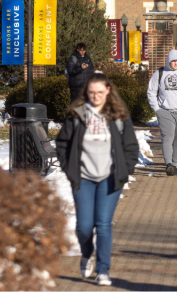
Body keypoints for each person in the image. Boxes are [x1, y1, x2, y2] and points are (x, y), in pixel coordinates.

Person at [56, 73, 139, 286]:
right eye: (92, 92)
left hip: (110, 178)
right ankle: (86, 254)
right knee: (84, 226)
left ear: (108, 91)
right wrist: (69, 169)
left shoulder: (118, 115)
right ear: (86, 92)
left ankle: (103, 270)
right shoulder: (77, 115)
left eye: (100, 92)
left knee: (103, 224)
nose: (96, 96)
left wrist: (125, 170)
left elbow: (130, 146)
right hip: (83, 177)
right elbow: (63, 143)